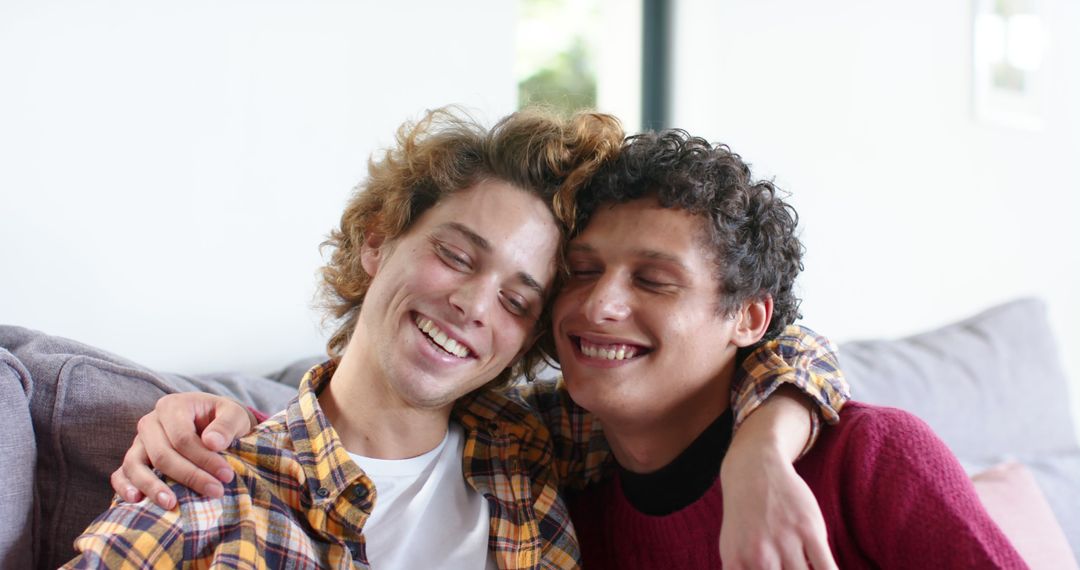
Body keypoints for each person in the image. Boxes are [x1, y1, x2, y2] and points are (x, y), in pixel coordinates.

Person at [72, 108, 849, 568]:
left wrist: (762, 450)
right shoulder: (206, 491)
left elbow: (766, 345)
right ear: (379, 240)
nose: (475, 306)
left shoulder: (538, 446)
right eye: (454, 255)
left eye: (520, 297)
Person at [554, 130, 1025, 568]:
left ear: (748, 318)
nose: (599, 305)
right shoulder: (554, 503)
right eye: (582, 271)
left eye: (654, 281)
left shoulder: (870, 458)